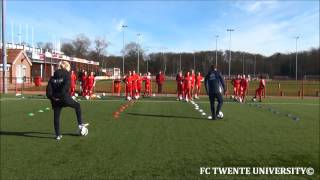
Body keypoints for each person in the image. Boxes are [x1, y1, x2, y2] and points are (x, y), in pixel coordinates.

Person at [46, 61, 89, 140]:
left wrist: (53, 98)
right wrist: (65, 96)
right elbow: (65, 87)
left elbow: (48, 92)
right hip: (64, 98)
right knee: (77, 106)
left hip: (55, 100)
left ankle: (58, 135)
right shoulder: (67, 75)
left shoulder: (52, 78)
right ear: (66, 67)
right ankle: (80, 124)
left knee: (56, 117)